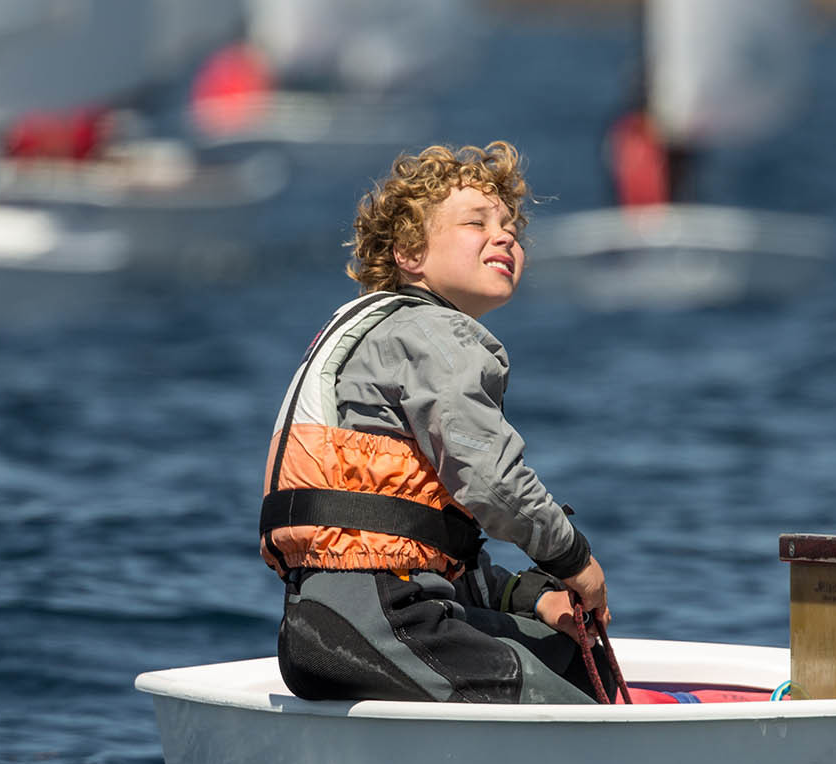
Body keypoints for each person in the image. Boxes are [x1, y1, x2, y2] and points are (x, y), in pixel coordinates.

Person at [261, 141, 615, 704]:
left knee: (573, 654)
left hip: (329, 619)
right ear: (409, 252)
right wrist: (574, 562)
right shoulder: (434, 333)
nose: (504, 236)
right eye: (476, 222)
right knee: (572, 705)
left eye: (510, 227)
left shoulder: (383, 334)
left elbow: (427, 539)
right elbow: (494, 484)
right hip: (376, 618)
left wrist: (531, 597)